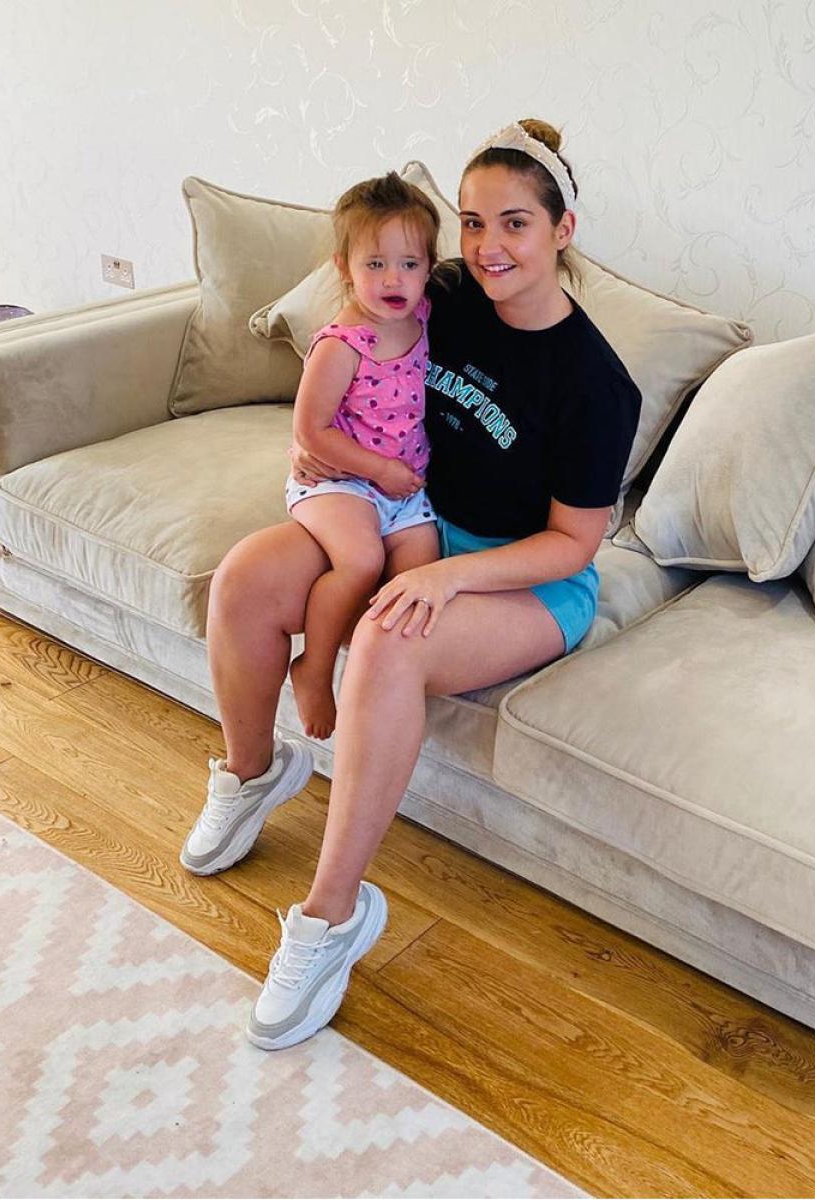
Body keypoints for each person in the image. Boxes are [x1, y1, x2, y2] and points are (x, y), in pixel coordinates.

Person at [180, 119, 642, 1051]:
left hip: (526, 577)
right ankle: (253, 769)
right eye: (472, 222)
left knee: (388, 636)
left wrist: (447, 577)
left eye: (515, 223)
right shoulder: (443, 294)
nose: (489, 245)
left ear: (564, 230)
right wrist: (320, 448)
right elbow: (354, 301)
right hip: (406, 516)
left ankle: (330, 916)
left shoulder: (598, 385)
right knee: (245, 579)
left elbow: (572, 544)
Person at [283, 172, 443, 741]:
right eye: (375, 264)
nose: (393, 279)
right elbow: (310, 429)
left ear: (429, 268)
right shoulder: (341, 345)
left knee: (420, 577)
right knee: (359, 561)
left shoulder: (424, 318)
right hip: (340, 482)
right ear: (344, 267)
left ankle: (378, 680)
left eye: (409, 264)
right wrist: (378, 471)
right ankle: (314, 665)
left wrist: (396, 479)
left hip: (404, 491)